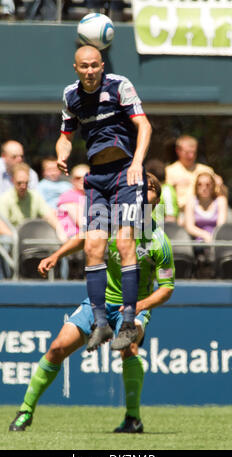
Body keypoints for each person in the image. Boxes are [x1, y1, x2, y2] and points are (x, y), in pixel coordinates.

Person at [8, 172, 175, 433]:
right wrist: (57, 255)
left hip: (133, 307)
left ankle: (133, 419)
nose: (144, 191)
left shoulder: (159, 241)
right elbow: (85, 238)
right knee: (56, 349)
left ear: (155, 200)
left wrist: (141, 306)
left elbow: (167, 289)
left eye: (150, 188)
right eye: (140, 187)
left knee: (129, 348)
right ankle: (25, 411)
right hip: (98, 303)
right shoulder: (111, 224)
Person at [56, 45, 152, 352]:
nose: (89, 71)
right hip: (97, 179)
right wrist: (62, 154)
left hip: (126, 173)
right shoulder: (71, 96)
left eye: (94, 66)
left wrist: (137, 163)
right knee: (93, 246)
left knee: (125, 244)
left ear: (101, 66)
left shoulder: (119, 85)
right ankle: (100, 324)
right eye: (83, 66)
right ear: (75, 68)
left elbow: (144, 125)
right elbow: (65, 134)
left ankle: (127, 321)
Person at [165, 135, 226, 224]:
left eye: (194, 152)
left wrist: (221, 186)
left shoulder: (207, 170)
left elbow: (220, 195)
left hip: (205, 216)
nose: (191, 156)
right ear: (178, 151)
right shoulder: (169, 171)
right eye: (187, 152)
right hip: (179, 218)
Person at [0, 162, 65, 240]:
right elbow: (1, 227)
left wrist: (61, 231)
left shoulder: (35, 196)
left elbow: (49, 216)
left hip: (31, 238)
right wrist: (18, 239)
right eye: (19, 183)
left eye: (26, 183)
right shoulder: (4, 199)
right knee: (5, 239)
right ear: (12, 180)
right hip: (13, 239)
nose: (23, 186)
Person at [184, 172, 228, 243]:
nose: (204, 188)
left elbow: (220, 226)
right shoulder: (191, 201)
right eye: (200, 184)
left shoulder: (221, 200)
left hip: (216, 241)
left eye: (208, 185)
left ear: (213, 186)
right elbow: (189, 227)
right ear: (196, 186)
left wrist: (211, 238)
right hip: (197, 243)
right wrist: (205, 235)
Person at [57, 163, 89, 242]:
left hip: (86, 236)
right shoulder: (68, 196)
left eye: (86, 177)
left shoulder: (91, 196)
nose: (82, 180)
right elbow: (82, 222)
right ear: (72, 180)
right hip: (71, 238)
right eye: (77, 178)